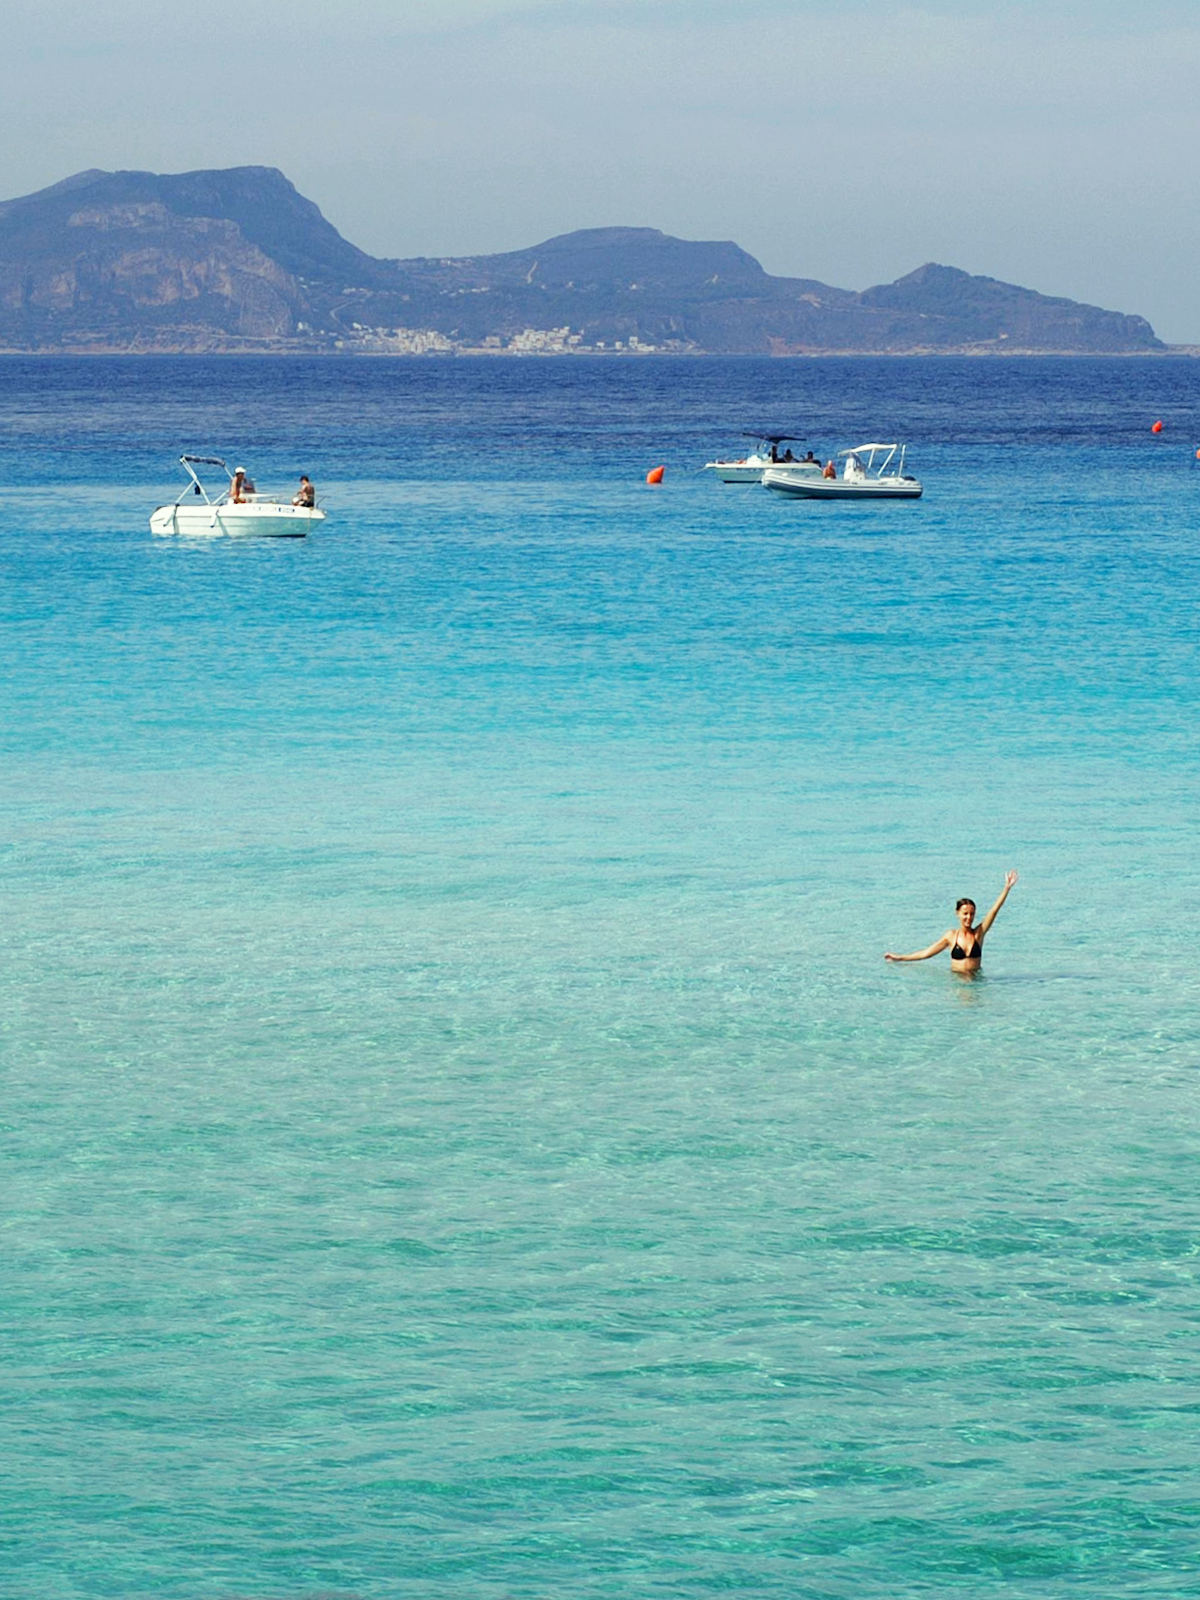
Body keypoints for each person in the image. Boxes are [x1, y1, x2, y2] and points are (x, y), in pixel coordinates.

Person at [885, 871, 1018, 972]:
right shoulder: (951, 936)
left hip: (977, 984)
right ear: (958, 914)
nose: (969, 917)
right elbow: (926, 953)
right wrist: (901, 958)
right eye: (965, 913)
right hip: (957, 983)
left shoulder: (979, 933)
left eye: (972, 914)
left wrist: (1006, 888)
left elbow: (994, 910)